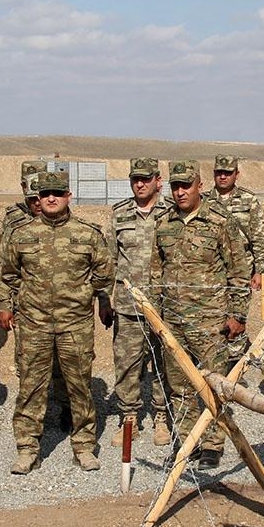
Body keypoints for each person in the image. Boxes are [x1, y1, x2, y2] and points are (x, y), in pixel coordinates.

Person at [0, 171, 113, 474]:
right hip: (34, 324)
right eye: (46, 193)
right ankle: (27, 448)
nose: (51, 198)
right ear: (38, 198)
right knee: (31, 387)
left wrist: (86, 293)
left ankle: (84, 446)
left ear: (68, 197)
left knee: (79, 386)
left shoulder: (87, 233)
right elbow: (7, 273)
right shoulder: (21, 233)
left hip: (75, 325)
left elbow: (104, 271)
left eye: (58, 193)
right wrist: (7, 304)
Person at [151, 160, 250, 469]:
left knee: (211, 384)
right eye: (175, 187)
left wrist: (238, 315)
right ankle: (187, 440)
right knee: (178, 384)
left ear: (199, 186)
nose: (180, 192)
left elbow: (239, 271)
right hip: (174, 320)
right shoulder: (165, 223)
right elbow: (157, 272)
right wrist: (155, 315)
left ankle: (212, 443)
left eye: (186, 186)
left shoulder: (220, 221)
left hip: (211, 321)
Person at [98, 158, 172, 448]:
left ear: (157, 180)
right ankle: (128, 418)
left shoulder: (170, 213)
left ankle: (162, 417)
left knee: (162, 364)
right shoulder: (120, 214)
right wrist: (104, 298)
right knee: (127, 365)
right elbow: (109, 261)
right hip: (127, 308)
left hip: (162, 306)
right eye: (135, 179)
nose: (139, 184)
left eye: (145, 178)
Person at [0, 162, 73, 432]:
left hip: (61, 309)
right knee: (28, 362)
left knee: (63, 365)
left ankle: (65, 407)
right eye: (33, 197)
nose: (39, 202)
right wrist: (6, 303)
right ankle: (32, 415)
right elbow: (4, 267)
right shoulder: (14, 221)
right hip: (27, 308)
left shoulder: (65, 221)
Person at [205, 155, 264, 371]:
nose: (223, 176)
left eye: (228, 172)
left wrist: (259, 270)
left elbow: (259, 237)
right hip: (212, 272)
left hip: (240, 272)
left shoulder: (249, 200)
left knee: (237, 316)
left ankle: (234, 368)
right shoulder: (204, 200)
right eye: (219, 172)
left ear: (236, 174)